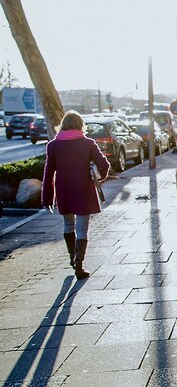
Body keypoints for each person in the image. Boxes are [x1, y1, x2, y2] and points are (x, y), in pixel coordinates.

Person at [41, 111, 110, 280]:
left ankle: (72, 258)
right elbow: (104, 164)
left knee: (67, 223)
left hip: (64, 189)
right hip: (84, 189)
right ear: (81, 125)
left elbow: (48, 173)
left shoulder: (53, 145)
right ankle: (79, 265)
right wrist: (99, 178)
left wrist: (47, 197)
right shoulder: (88, 143)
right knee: (82, 228)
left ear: (63, 125)